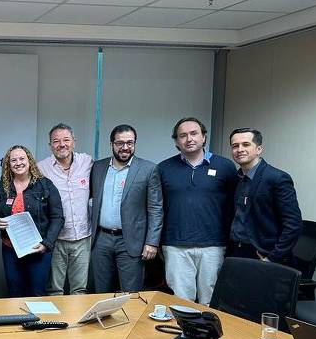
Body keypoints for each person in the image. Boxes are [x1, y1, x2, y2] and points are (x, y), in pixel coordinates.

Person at [158, 118, 237, 304]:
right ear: (176, 141)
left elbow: (233, 207)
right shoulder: (163, 168)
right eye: (182, 135)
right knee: (181, 301)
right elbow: (156, 208)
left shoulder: (225, 167)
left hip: (213, 245)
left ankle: (207, 334)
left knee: (210, 301)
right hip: (176, 245)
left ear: (203, 137)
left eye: (194, 133)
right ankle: (185, 334)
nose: (189, 139)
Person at [90, 124, 163, 293]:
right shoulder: (98, 168)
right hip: (101, 239)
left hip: (131, 241)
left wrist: (152, 242)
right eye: (120, 143)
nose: (125, 147)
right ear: (111, 144)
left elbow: (156, 208)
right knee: (100, 292)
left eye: (130, 143)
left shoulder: (148, 169)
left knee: (131, 294)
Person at [0, 145, 63, 297]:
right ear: (8, 165)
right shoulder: (1, 187)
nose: (18, 163)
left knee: (36, 294)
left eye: (22, 158)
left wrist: (46, 244)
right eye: (13, 160)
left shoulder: (45, 185)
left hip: (38, 250)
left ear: (29, 161)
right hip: (10, 250)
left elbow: (57, 218)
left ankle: (35, 322)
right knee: (15, 294)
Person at [227, 128, 302, 264]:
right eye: (235, 146)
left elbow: (293, 224)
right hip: (238, 251)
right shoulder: (236, 179)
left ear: (259, 149)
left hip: (263, 254)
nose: (240, 149)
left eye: (246, 144)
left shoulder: (277, 178)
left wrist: (273, 257)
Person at [37, 123, 93, 295]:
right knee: (54, 290)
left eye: (66, 140)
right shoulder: (41, 168)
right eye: (56, 141)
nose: (62, 144)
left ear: (73, 142)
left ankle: (78, 322)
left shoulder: (87, 162)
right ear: (50, 145)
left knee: (79, 289)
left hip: (83, 238)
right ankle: (55, 323)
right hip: (56, 240)